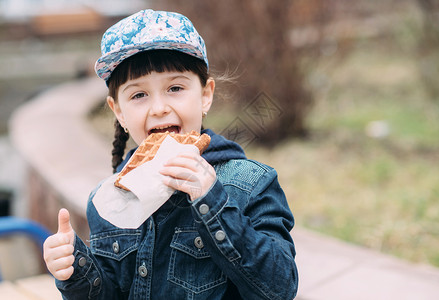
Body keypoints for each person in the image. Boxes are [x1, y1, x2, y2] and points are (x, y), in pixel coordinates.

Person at [43, 9, 298, 300]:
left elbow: (280, 288)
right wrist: (75, 271)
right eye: (139, 95)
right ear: (118, 112)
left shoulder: (251, 184)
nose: (159, 108)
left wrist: (211, 201)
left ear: (205, 95)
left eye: (175, 88)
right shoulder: (109, 201)